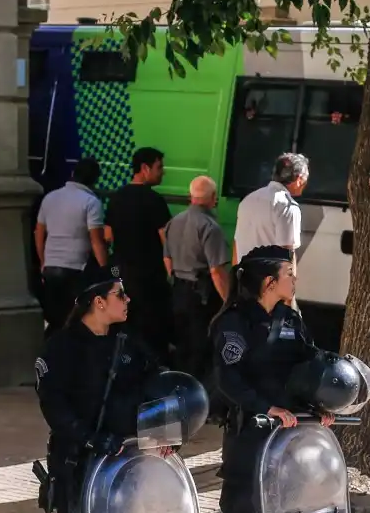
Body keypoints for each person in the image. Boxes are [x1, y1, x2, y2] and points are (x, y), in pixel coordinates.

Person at [33, 263, 170, 513]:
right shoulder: (60, 349)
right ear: (98, 302)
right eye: (120, 296)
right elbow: (55, 410)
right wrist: (93, 439)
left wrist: (163, 435)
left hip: (122, 462)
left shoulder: (127, 343)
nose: (127, 302)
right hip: (79, 460)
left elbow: (158, 387)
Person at [208, 245, 334, 513]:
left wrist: (320, 405)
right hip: (251, 430)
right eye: (289, 274)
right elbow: (228, 379)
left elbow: (308, 363)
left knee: (293, 512)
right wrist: (265, 407)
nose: (294, 280)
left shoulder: (290, 319)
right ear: (268, 282)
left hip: (290, 434)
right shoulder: (233, 324)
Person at [105, 147, 175, 361]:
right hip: (149, 274)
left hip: (122, 271)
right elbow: (166, 239)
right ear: (144, 169)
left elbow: (107, 235)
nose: (162, 172)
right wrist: (172, 272)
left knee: (126, 321)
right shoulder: (154, 200)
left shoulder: (116, 197)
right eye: (159, 167)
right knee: (152, 325)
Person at [164, 174, 231, 382]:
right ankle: (194, 398)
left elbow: (167, 260)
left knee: (181, 346)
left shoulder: (174, 222)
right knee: (200, 347)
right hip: (201, 295)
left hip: (178, 291)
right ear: (213, 198)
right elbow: (216, 271)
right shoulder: (210, 227)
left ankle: (176, 390)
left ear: (190, 196)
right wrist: (229, 301)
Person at [34, 157, 110, 337]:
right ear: (94, 180)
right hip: (76, 268)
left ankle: (51, 352)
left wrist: (43, 261)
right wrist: (106, 269)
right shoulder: (91, 202)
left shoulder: (50, 197)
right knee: (74, 318)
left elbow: (39, 232)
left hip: (51, 267)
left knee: (54, 316)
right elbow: (96, 241)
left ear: (73, 174)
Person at [233, 153, 309, 267]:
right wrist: (290, 283)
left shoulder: (248, 200)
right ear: (298, 179)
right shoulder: (288, 207)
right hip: (268, 282)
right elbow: (287, 254)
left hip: (243, 277)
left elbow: (236, 244)